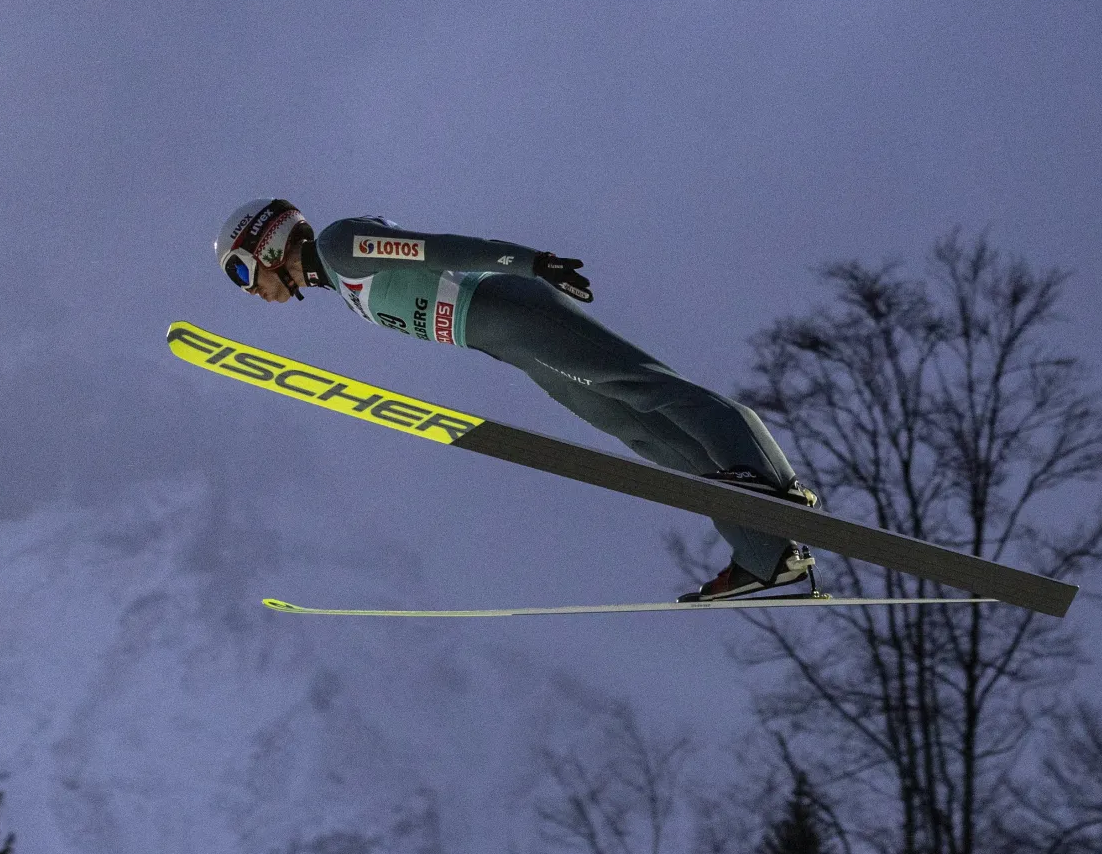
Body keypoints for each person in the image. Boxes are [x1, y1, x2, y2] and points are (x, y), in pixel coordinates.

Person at [215, 198, 819, 601]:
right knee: (641, 432)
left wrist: (532, 263)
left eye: (243, 274)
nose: (253, 292)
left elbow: (439, 249)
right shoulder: (340, 280)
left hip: (516, 314)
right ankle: (767, 550)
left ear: (267, 245)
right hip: (509, 345)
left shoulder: (342, 244)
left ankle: (775, 485)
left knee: (649, 389)